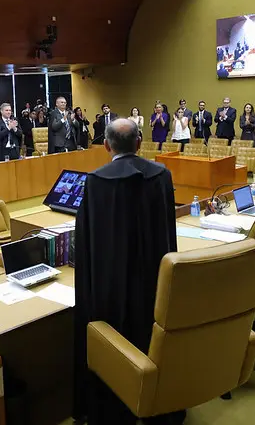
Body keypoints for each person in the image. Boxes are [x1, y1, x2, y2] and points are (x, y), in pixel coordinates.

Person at [73, 118, 180, 425]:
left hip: (111, 287)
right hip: (155, 282)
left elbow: (88, 242)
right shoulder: (162, 175)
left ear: (106, 146)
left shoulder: (96, 181)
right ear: (140, 142)